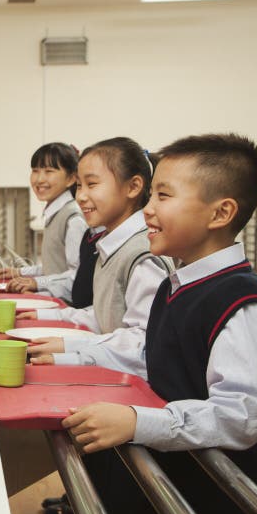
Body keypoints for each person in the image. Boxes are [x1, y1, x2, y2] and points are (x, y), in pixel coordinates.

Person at [62, 133, 257, 514]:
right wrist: (70, 355)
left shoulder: (241, 303)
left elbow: (241, 416)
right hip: (179, 478)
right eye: (150, 196)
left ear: (220, 213)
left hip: (221, 501)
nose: (147, 210)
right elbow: (153, 357)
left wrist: (138, 422)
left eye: (163, 197)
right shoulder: (179, 284)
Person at [19, 138, 172, 377]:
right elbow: (104, 316)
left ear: (133, 187)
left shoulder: (143, 256)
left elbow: (143, 343)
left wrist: (75, 353)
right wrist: (52, 320)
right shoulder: (112, 245)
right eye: (80, 185)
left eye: (92, 184)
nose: (80, 196)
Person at [0, 142, 88, 303]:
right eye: (35, 171)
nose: (39, 179)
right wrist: (20, 273)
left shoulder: (73, 219)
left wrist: (36, 282)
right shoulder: (56, 212)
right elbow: (55, 267)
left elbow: (78, 276)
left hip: (67, 309)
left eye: (49, 171)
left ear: (71, 178)